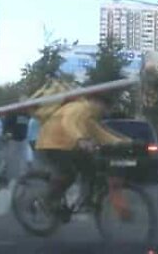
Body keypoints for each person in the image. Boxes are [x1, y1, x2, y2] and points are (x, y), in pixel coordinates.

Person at [29, 79, 132, 217]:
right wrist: (80, 140)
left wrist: (122, 142)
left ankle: (86, 200)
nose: (106, 111)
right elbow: (68, 123)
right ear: (96, 101)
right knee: (68, 173)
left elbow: (98, 132)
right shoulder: (80, 107)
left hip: (67, 147)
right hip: (51, 144)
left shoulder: (89, 115)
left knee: (91, 167)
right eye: (105, 106)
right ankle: (45, 202)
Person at [0, 96, 30, 185]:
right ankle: (3, 174)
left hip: (23, 138)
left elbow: (26, 125)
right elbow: (6, 124)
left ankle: (21, 176)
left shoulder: (27, 113)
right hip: (12, 139)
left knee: (22, 159)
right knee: (9, 158)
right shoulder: (13, 111)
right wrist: (6, 133)